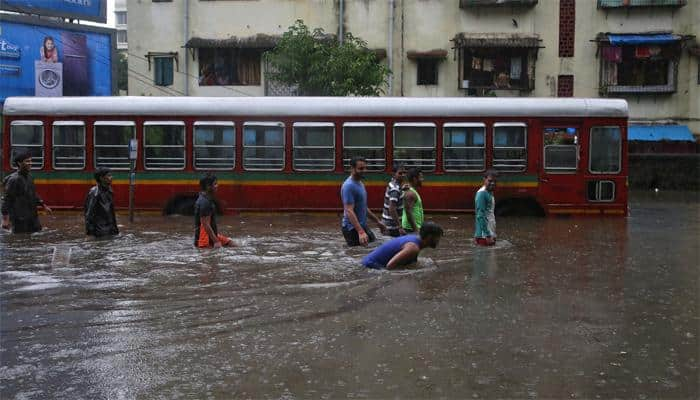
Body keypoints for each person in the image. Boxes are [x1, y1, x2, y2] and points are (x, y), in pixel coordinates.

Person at [1, 151, 52, 233]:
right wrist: (5, 219)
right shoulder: (14, 180)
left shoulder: (30, 177)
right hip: (19, 218)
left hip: (32, 216)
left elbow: (33, 193)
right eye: (27, 161)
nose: (30, 163)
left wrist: (43, 205)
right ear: (19, 163)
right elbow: (6, 199)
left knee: (36, 236)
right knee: (20, 239)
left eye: (31, 161)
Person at [341, 156, 386, 246]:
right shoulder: (348, 186)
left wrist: (377, 221)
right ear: (352, 168)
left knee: (375, 245)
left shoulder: (360, 183)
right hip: (351, 228)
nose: (364, 171)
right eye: (361, 169)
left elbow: (363, 207)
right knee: (357, 255)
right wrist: (360, 232)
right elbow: (349, 211)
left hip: (361, 225)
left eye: (365, 168)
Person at [362, 221, 443, 270]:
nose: (438, 241)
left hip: (368, 261)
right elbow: (389, 266)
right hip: (370, 265)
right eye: (437, 237)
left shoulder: (414, 239)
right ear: (429, 237)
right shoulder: (413, 248)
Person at [194, 173, 234, 248]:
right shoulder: (205, 202)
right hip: (204, 240)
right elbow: (205, 224)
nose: (217, 186)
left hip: (210, 236)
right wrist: (216, 241)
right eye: (215, 184)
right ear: (208, 187)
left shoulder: (205, 198)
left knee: (231, 243)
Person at [84, 168, 119, 238]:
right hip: (99, 232)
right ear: (101, 178)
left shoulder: (109, 191)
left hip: (110, 230)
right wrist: (90, 233)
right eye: (109, 176)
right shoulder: (94, 193)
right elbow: (89, 215)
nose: (112, 177)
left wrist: (115, 230)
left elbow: (111, 213)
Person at [381, 162, 407, 237]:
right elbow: (392, 209)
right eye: (400, 173)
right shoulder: (395, 189)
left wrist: (402, 189)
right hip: (391, 227)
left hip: (388, 224)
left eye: (404, 173)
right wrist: (400, 227)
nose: (403, 175)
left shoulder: (393, 184)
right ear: (393, 174)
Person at [474, 169, 498, 246]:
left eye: (495, 181)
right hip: (484, 236)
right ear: (484, 180)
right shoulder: (482, 194)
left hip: (490, 233)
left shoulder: (489, 192)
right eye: (490, 181)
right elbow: (480, 216)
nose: (493, 183)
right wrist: (488, 235)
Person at [401, 167, 424, 233]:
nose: (422, 180)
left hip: (413, 228)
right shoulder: (410, 194)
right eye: (421, 177)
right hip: (410, 229)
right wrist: (416, 229)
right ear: (415, 179)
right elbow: (408, 213)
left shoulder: (412, 192)